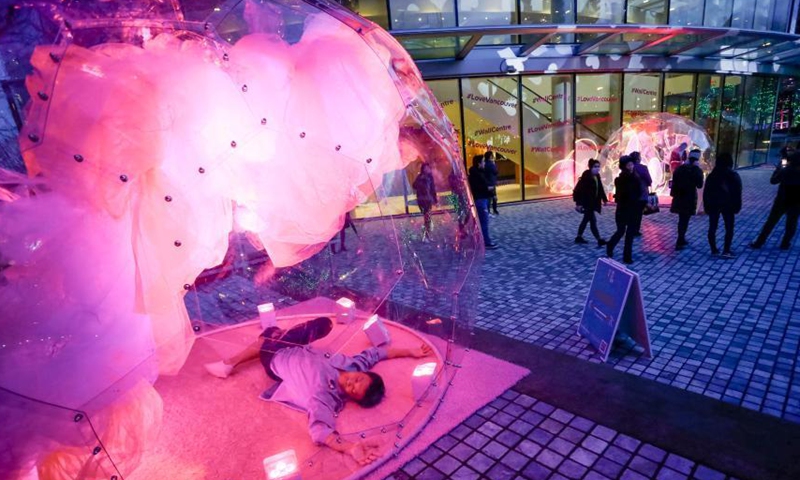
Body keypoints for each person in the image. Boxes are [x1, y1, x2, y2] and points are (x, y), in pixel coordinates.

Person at [204, 316, 432, 465]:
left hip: (275, 358)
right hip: (299, 347)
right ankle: (267, 340)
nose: (351, 383)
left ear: (351, 398)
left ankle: (231, 362)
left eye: (353, 390)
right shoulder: (354, 365)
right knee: (323, 324)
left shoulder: (325, 395)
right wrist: (410, 352)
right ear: (364, 373)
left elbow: (320, 429)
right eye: (358, 380)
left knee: (269, 337)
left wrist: (350, 447)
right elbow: (376, 353)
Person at [749, 151, 800, 250]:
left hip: (782, 200)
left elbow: (773, 181)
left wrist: (778, 169)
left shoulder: (786, 170)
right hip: (796, 202)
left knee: (771, 222)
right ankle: (785, 243)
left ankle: (759, 242)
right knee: (791, 224)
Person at [703, 152, 742, 258]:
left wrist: (706, 205)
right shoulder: (733, 176)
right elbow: (737, 193)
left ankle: (714, 250)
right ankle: (726, 250)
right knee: (729, 227)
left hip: (714, 204)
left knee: (712, 227)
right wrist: (737, 206)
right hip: (728, 205)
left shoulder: (712, 176)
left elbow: (706, 192)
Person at [606, 155, 643, 264]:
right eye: (629, 165)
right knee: (621, 231)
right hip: (623, 208)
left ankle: (627, 256)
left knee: (630, 233)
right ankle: (610, 245)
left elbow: (638, 191)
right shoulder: (621, 179)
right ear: (624, 166)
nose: (631, 167)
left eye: (632, 164)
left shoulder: (635, 176)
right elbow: (624, 194)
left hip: (633, 208)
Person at [670, 149, 704, 250]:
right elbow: (699, 185)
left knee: (682, 219)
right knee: (684, 219)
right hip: (689, 198)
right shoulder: (696, 170)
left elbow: (674, 182)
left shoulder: (680, 169)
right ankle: (680, 240)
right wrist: (698, 171)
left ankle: (681, 238)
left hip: (679, 197)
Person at [572, 159, 608, 247]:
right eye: (595, 167)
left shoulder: (597, 176)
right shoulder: (586, 177)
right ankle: (599, 239)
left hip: (592, 203)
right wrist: (578, 204)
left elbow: (600, 188)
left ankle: (579, 237)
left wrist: (604, 199)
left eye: (598, 166)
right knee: (592, 221)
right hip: (587, 203)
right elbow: (577, 191)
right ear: (590, 167)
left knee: (587, 220)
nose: (597, 168)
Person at [468, 154, 498, 249]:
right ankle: (486, 242)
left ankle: (478, 241)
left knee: (480, 222)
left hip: (482, 199)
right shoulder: (476, 175)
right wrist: (488, 188)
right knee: (483, 222)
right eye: (483, 161)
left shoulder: (479, 172)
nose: (484, 163)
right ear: (479, 163)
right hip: (480, 200)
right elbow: (477, 188)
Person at [412, 162, 438, 242]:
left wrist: (435, 200)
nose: (427, 169)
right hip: (422, 200)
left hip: (428, 200)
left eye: (428, 168)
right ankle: (426, 236)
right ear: (423, 169)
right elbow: (414, 186)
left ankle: (427, 236)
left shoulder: (430, 178)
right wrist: (421, 180)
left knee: (428, 219)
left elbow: (433, 189)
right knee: (427, 218)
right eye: (425, 168)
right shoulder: (420, 177)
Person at [630, 151, 652, 237]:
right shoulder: (643, 168)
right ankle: (636, 230)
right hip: (642, 192)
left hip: (631, 194)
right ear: (639, 159)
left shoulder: (629, 167)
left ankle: (631, 228)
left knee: (632, 211)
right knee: (639, 213)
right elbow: (649, 180)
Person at [484, 151, 500, 215]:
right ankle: (494, 210)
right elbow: (496, 171)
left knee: (488, 198)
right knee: (493, 197)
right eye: (492, 155)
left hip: (486, 183)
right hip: (491, 182)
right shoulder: (491, 164)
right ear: (490, 156)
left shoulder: (484, 163)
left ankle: (488, 210)